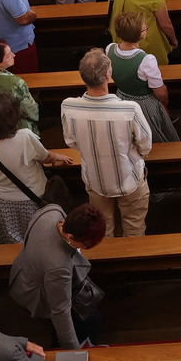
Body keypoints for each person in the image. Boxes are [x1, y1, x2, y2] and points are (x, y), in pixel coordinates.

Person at [60, 48, 154, 237]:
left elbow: (71, 141)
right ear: (108, 74)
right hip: (130, 178)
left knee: (101, 230)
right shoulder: (129, 109)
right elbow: (146, 144)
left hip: (95, 178)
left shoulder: (68, 106)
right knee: (134, 227)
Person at [0, 93, 68, 244]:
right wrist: (56, 156)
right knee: (37, 237)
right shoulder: (24, 137)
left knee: (8, 240)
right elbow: (44, 157)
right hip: (29, 198)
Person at [9, 202, 107, 348]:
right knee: (91, 319)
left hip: (23, 270)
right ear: (70, 236)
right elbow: (60, 311)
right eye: (86, 245)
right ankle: (57, 347)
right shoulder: (58, 267)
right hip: (36, 292)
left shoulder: (52, 211)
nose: (86, 248)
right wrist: (72, 350)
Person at [107, 11, 179, 142]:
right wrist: (165, 99)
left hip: (121, 99)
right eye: (144, 27)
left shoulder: (110, 49)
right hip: (144, 105)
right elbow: (160, 92)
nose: (146, 27)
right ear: (139, 35)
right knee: (153, 138)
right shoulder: (146, 60)